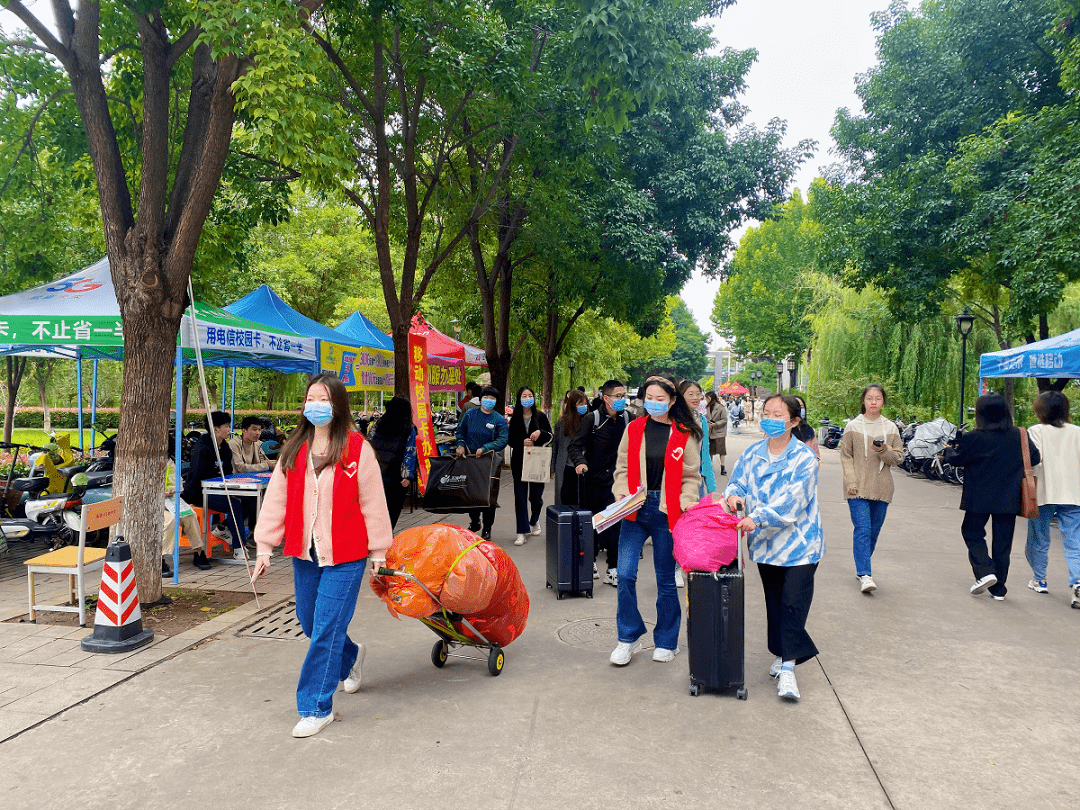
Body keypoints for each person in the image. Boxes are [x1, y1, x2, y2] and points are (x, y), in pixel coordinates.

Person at [251, 373, 393, 739]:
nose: (316, 405)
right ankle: (351, 657)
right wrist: (264, 546)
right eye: (310, 398)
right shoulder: (294, 448)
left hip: (346, 553)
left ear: (338, 405)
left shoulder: (357, 448)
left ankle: (316, 707)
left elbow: (373, 503)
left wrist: (379, 552)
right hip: (305, 551)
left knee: (327, 626)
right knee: (309, 621)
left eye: (324, 399)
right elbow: (276, 500)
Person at [724, 393, 823, 702]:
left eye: (777, 414)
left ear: (794, 421)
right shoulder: (753, 453)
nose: (769, 418)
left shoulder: (805, 458)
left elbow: (793, 500)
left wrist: (758, 516)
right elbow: (737, 482)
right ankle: (783, 653)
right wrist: (733, 497)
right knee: (776, 603)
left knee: (794, 603)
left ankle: (789, 670)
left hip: (801, 545)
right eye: (766, 412)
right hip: (766, 546)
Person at [609, 375, 702, 666]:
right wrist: (621, 491)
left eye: (660, 399)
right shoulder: (634, 428)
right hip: (635, 509)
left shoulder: (684, 433)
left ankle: (666, 640)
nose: (654, 403)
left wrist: (687, 502)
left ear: (673, 401)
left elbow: (690, 476)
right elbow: (622, 466)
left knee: (665, 580)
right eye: (649, 397)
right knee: (624, 574)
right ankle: (628, 636)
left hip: (667, 510)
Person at [944, 393, 1039, 600]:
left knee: (971, 532)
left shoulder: (973, 437)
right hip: (1009, 497)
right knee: (1003, 542)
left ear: (980, 414)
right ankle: (999, 589)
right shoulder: (1019, 435)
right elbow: (1035, 457)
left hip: (978, 497)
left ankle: (986, 571)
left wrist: (949, 451)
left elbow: (958, 460)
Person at [839, 384, 903, 593]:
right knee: (863, 529)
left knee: (873, 532)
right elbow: (846, 456)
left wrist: (884, 450)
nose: (873, 402)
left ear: (883, 401)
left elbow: (898, 458)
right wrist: (851, 481)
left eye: (877, 398)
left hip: (882, 488)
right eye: (869, 398)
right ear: (863, 401)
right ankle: (865, 574)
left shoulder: (891, 428)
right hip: (857, 488)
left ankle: (861, 567)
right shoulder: (853, 427)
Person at [568, 379, 632, 585]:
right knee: (592, 524)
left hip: (617, 483)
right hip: (592, 480)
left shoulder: (629, 419)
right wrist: (580, 463)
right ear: (606, 398)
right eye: (618, 396)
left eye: (624, 396)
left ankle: (613, 568)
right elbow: (575, 446)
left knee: (615, 524)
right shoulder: (592, 419)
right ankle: (591, 561)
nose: (622, 400)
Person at [1024, 391, 1080, 607]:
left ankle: (1040, 579)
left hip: (1044, 492)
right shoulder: (1077, 432)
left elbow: (1034, 460)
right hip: (1074, 493)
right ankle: (1077, 581)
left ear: (1040, 410)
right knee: (1074, 540)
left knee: (1039, 538)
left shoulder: (1036, 431)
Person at [181, 411, 248, 559]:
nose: (229, 429)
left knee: (250, 500)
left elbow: (228, 472)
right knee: (234, 504)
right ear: (215, 429)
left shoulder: (224, 447)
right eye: (226, 426)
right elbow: (199, 477)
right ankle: (238, 548)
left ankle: (222, 528)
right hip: (200, 493)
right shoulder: (202, 448)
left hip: (220, 490)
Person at [455, 386, 509, 540]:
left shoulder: (499, 420)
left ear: (496, 401)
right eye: (486, 397)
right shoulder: (470, 415)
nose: (489, 401)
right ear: (481, 399)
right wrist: (460, 444)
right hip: (471, 460)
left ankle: (487, 528)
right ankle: (474, 521)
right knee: (472, 493)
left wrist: (486, 448)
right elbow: (460, 431)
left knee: (489, 497)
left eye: (492, 398)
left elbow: (503, 440)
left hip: (490, 462)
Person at [508, 387, 553, 546]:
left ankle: (534, 519)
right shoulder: (515, 418)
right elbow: (510, 440)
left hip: (536, 461)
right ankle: (522, 531)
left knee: (536, 497)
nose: (527, 398)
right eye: (524, 396)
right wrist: (522, 442)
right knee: (520, 497)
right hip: (519, 460)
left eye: (530, 395)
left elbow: (550, 436)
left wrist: (540, 433)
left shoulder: (540, 416)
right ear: (519, 399)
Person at [367, 395, 417, 529]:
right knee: (392, 513)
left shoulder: (378, 424)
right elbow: (409, 452)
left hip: (377, 474)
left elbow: (369, 445)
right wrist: (407, 476)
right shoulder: (409, 428)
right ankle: (386, 541)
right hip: (396, 479)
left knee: (377, 511)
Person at [229, 415, 276, 537]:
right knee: (254, 497)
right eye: (254, 429)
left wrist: (272, 464)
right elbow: (240, 467)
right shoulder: (233, 444)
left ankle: (256, 531)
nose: (258, 433)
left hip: (252, 483)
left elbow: (264, 461)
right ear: (244, 430)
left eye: (260, 430)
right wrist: (267, 465)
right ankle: (228, 527)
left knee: (271, 493)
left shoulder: (258, 444)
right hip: (234, 484)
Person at [162, 455, 210, 573]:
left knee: (190, 516)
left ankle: (198, 551)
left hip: (170, 500)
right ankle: (161, 558)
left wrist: (172, 490)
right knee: (171, 520)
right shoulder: (143, 462)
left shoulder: (168, 463)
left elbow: (179, 483)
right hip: (150, 504)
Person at [550, 390, 589, 507]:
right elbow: (555, 447)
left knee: (582, 501)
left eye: (584, 403)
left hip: (584, 468)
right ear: (572, 405)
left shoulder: (589, 421)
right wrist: (552, 467)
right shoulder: (561, 423)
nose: (583, 407)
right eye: (580, 404)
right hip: (565, 467)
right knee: (565, 500)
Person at [705, 390, 728, 476]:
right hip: (710, 432)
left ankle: (723, 467)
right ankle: (710, 468)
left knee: (721, 451)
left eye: (707, 398)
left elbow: (725, 419)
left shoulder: (720, 407)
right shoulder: (707, 407)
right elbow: (705, 418)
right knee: (710, 451)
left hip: (719, 432)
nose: (706, 400)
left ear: (711, 398)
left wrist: (716, 424)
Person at [792, 395, 820, 461]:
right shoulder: (780, 430)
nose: (800, 409)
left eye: (801, 407)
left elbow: (816, 456)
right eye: (796, 407)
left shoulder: (808, 430)